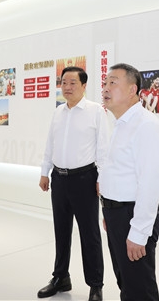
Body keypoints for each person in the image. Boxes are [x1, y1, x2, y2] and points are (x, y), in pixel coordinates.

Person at [37, 66, 108, 301]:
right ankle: (60, 277)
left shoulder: (96, 111)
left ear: (84, 85)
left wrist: (102, 178)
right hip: (59, 179)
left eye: (72, 83)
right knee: (61, 230)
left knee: (90, 234)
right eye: (64, 83)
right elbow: (50, 144)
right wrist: (45, 172)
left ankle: (95, 284)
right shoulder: (58, 112)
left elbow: (104, 149)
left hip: (85, 179)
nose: (67, 87)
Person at [100, 63, 159, 301]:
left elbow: (149, 184)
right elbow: (119, 172)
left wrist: (138, 233)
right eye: (105, 83)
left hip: (132, 216)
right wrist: (108, 211)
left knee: (140, 290)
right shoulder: (121, 124)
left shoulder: (146, 125)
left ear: (132, 90)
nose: (105, 88)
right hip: (116, 215)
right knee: (127, 284)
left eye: (113, 82)